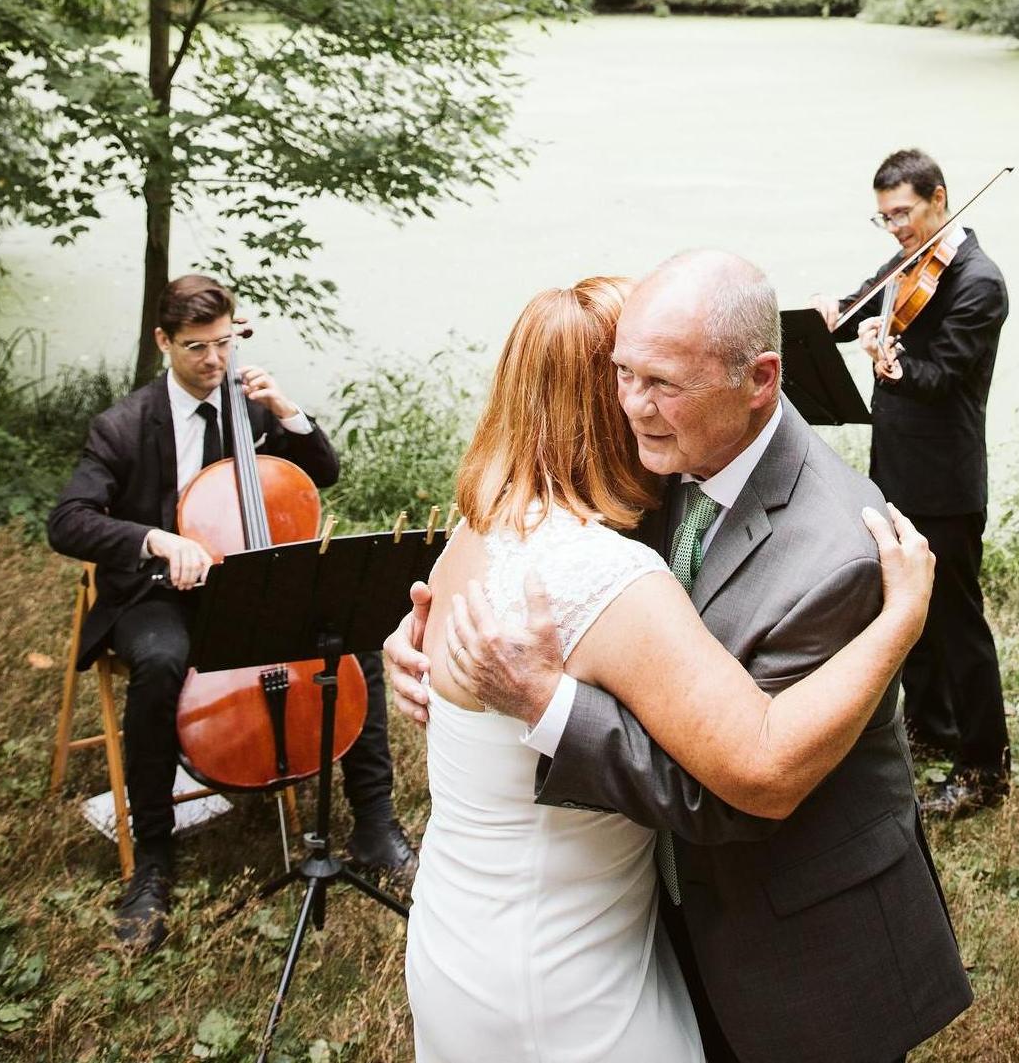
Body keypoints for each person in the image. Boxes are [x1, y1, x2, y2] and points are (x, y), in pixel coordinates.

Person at [388, 253, 972, 1063]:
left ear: (759, 379)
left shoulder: (837, 549)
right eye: (620, 376)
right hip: (639, 934)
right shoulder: (648, 478)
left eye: (657, 383)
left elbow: (739, 788)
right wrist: (422, 646)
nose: (633, 405)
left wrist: (542, 703)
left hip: (798, 945)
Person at [47, 274, 417, 952]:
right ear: (163, 341)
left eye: (223, 343)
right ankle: (153, 861)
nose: (214, 361)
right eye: (196, 347)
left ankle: (373, 819)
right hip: (156, 591)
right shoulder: (124, 425)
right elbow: (66, 520)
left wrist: (290, 412)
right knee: (159, 662)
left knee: (349, 637)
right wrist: (151, 537)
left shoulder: (250, 408)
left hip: (247, 580)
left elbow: (322, 472)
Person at [810, 148, 1011, 819]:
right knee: (910, 612)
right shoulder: (906, 263)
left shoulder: (979, 281)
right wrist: (830, 315)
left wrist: (889, 363)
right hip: (895, 469)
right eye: (883, 217)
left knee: (957, 625)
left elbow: (943, 376)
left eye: (902, 213)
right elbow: (856, 308)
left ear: (937, 198)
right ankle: (930, 728)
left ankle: (984, 767)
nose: (894, 227)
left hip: (946, 479)